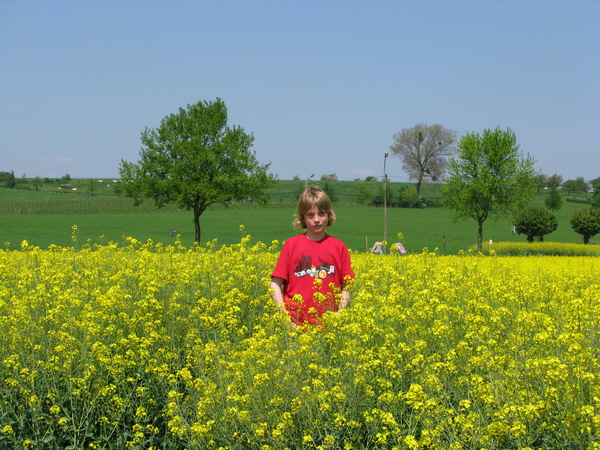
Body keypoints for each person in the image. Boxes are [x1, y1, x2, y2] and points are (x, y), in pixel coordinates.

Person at [270, 186, 354, 328]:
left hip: (328, 326)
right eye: (310, 215)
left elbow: (347, 287)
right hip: (295, 325)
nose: (316, 220)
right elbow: (275, 285)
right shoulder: (291, 245)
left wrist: (338, 317)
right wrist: (286, 320)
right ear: (302, 217)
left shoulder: (339, 247)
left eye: (321, 214)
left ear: (329, 215)